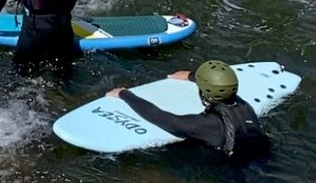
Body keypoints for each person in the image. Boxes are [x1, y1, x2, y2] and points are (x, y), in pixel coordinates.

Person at [106, 60, 270, 159]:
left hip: (235, 169)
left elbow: (162, 118)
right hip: (263, 157)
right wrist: (191, 76)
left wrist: (124, 94)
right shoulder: (243, 105)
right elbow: (219, 86)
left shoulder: (208, 124)